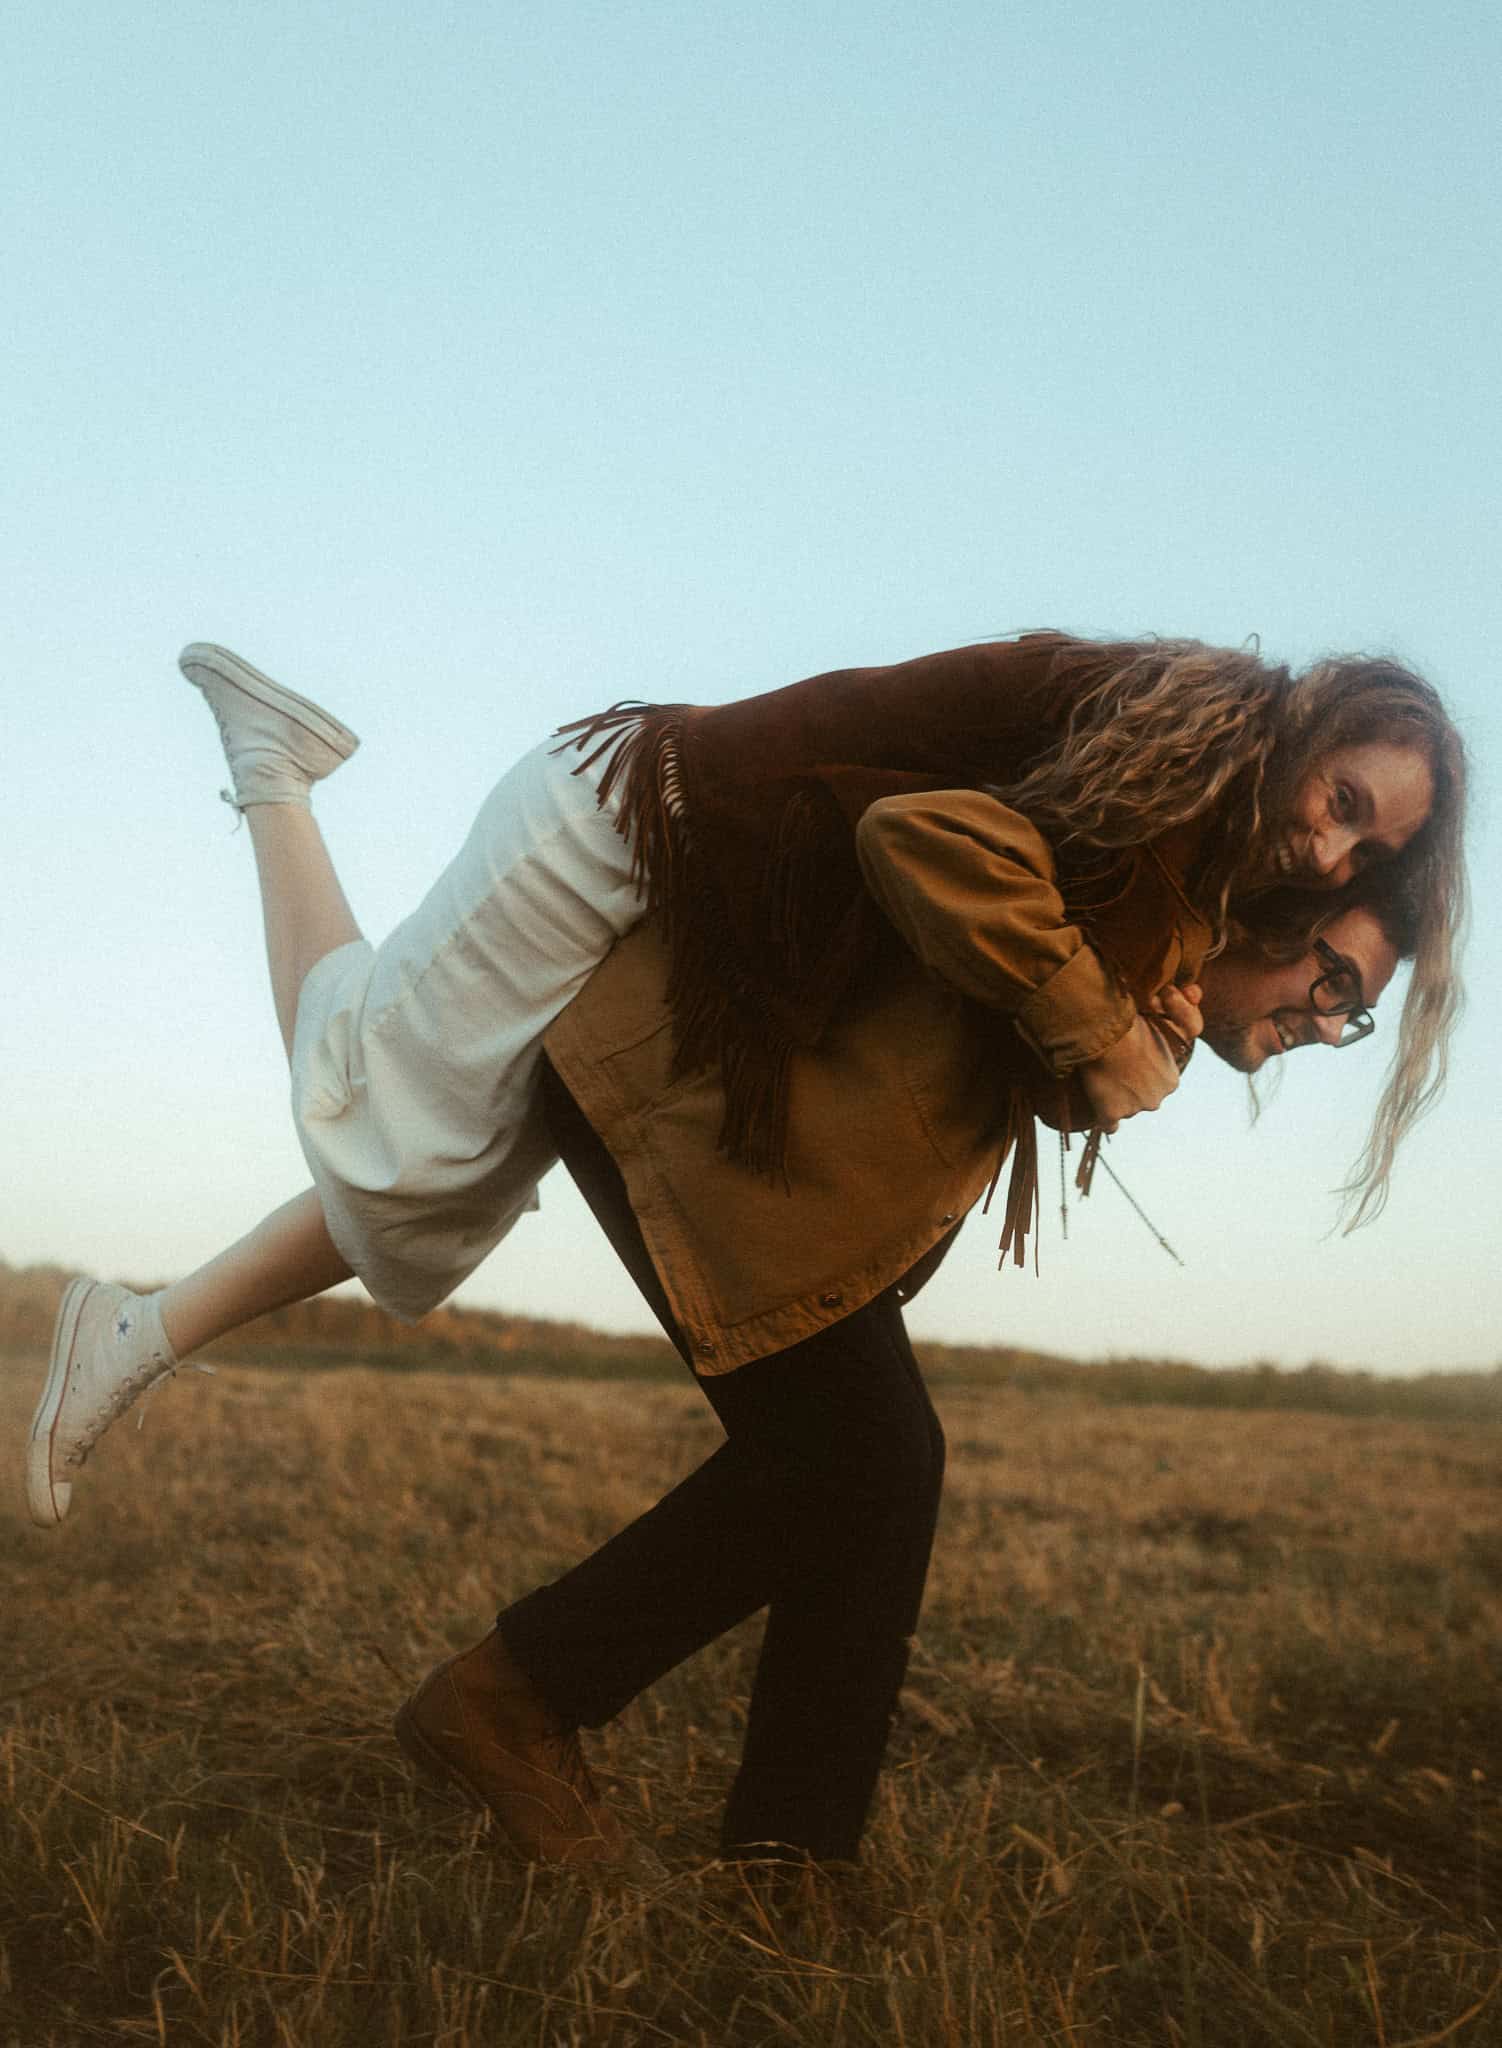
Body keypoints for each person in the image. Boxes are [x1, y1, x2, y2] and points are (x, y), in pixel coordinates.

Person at [27, 632, 1465, 1863]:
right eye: (1331, 971)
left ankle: (146, 1334)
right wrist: (1103, 1030)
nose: (1331, 855)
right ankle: (270, 769)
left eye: (1366, 858)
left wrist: (1126, 1025)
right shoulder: (1172, 768)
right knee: (363, 1115)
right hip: (617, 830)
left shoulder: (1166, 854)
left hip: (677, 931)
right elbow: (935, 852)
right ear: (1304, 738)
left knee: (421, 1208)